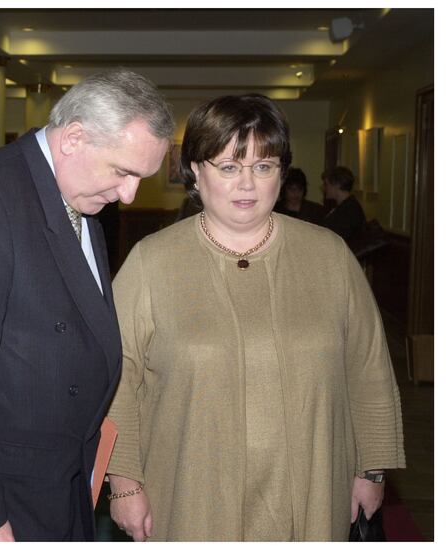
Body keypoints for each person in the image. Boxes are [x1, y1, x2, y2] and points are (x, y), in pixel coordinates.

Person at [0, 69, 174, 541]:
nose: (129, 194)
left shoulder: (77, 197)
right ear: (74, 138)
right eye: (124, 171)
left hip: (53, 484)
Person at [105, 94, 405, 541]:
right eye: (228, 167)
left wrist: (372, 471)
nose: (247, 184)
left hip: (312, 487)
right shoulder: (152, 262)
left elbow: (369, 369)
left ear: (281, 174)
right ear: (195, 171)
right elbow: (116, 377)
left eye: (263, 167)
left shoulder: (329, 256)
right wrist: (124, 484)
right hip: (191, 494)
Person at [321, 165, 367, 243]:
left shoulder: (350, 209)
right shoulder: (347, 206)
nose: (324, 188)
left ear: (337, 185)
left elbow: (337, 238)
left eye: (326, 184)